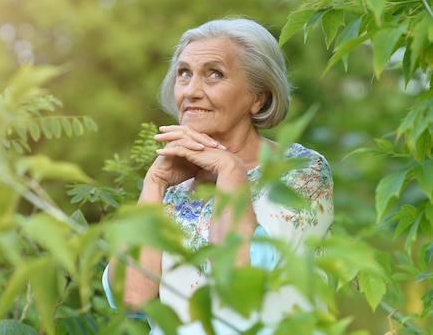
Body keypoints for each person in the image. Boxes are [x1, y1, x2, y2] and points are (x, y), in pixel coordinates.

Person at [102, 17, 334, 334]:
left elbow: (237, 283)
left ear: (258, 97)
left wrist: (229, 170)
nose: (192, 90)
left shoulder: (301, 170)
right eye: (184, 73)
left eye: (214, 74)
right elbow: (131, 297)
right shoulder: (173, 184)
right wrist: (154, 185)